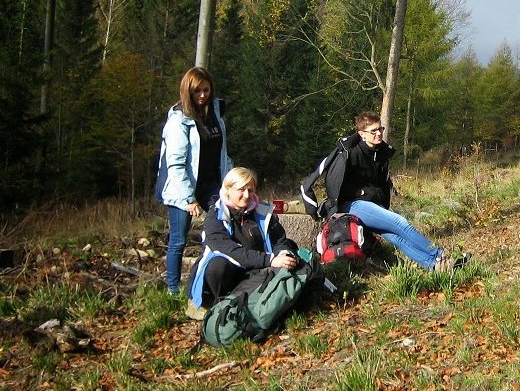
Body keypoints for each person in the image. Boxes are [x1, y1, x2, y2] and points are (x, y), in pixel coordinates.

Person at [301, 110, 468, 272]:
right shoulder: (349, 153)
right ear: (362, 134)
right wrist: (359, 193)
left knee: (397, 237)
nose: (378, 134)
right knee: (400, 223)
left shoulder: (379, 152)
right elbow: (333, 184)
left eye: (380, 129)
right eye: (373, 131)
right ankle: (440, 255)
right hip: (349, 205)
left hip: (369, 205)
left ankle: (435, 265)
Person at [154, 67, 232, 295]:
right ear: (187, 91)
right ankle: (173, 290)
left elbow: (223, 152)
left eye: (206, 90)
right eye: (197, 91)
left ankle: (209, 283)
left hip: (212, 185)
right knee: (179, 240)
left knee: (222, 230)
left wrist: (231, 183)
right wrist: (189, 198)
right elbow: (176, 165)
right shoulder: (178, 120)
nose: (202, 95)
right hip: (182, 189)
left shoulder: (216, 114)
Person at [186, 167, 298, 317]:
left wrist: (284, 254)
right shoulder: (215, 216)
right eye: (241, 189)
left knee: (290, 252)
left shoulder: (263, 211)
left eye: (250, 190)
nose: (247, 195)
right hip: (231, 271)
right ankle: (221, 305)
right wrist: (270, 260)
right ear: (228, 190)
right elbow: (230, 251)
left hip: (258, 270)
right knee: (217, 266)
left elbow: (279, 240)